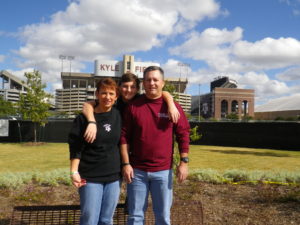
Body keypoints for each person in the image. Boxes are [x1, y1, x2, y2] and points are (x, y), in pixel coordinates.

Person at [120, 66, 190, 225]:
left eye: (155, 79)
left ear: (162, 83)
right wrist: (126, 164)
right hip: (137, 172)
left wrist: (184, 162)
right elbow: (124, 137)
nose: (152, 83)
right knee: (135, 217)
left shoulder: (173, 106)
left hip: (163, 172)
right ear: (143, 83)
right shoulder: (133, 107)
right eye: (148, 80)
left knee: (163, 217)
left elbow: (183, 134)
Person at [68, 78, 121, 225]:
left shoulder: (118, 115)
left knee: (106, 220)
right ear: (97, 94)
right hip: (90, 177)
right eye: (103, 93)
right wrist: (74, 171)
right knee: (89, 219)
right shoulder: (83, 119)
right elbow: (76, 146)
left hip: (114, 177)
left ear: (116, 96)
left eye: (111, 93)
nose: (107, 97)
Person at [82, 72, 180, 143]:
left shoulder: (142, 101)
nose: (128, 90)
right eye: (125, 86)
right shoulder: (112, 101)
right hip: (116, 145)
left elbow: (162, 92)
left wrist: (171, 104)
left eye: (132, 87)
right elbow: (87, 105)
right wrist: (91, 122)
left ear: (137, 89)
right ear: (119, 88)